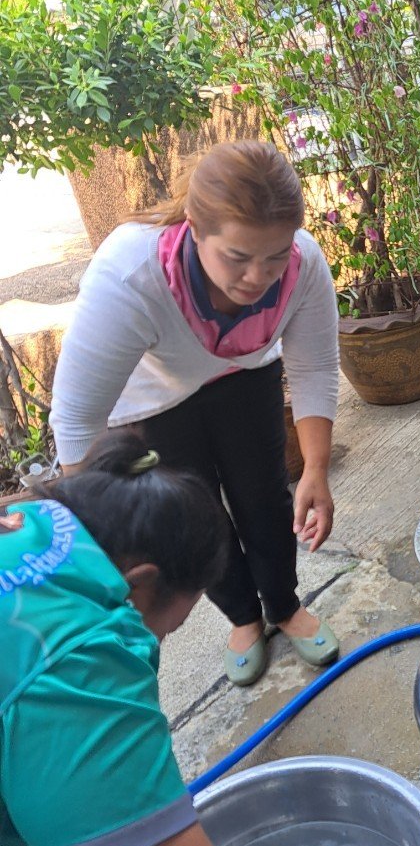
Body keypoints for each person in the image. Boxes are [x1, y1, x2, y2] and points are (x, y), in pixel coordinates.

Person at [0, 433, 360, 846]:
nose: (160, 640)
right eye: (171, 624)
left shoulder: (29, 524)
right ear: (140, 582)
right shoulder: (78, 649)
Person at [51, 141, 341, 687]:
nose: (258, 276)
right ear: (194, 228)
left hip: (246, 369)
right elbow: (75, 422)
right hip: (154, 396)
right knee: (198, 513)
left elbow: (316, 368)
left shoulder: (303, 265)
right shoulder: (131, 275)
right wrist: (99, 543)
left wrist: (318, 469)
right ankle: (243, 617)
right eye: (237, 257)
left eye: (275, 255)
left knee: (266, 495)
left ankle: (282, 604)